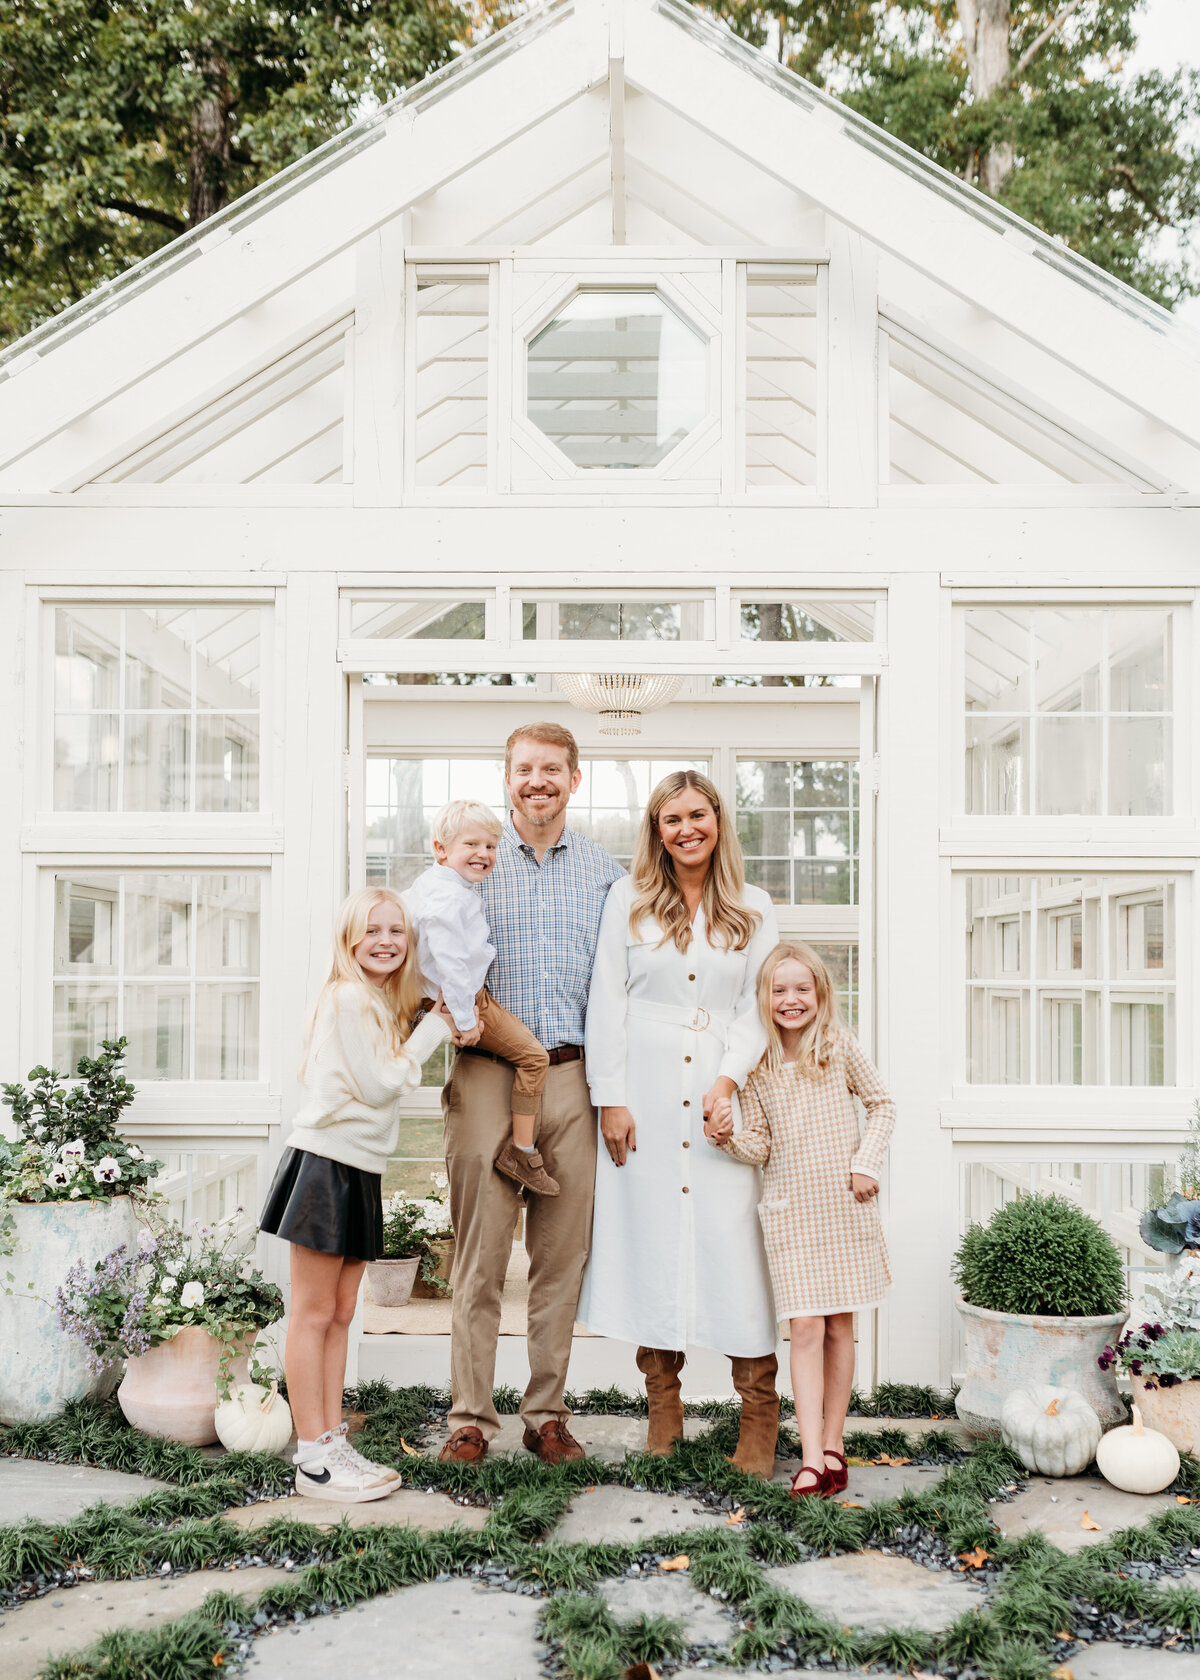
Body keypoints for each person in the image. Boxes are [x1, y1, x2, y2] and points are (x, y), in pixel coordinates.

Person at [579, 769, 782, 1476]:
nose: (686, 829)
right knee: (652, 1242)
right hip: (644, 1095)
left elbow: (760, 1005)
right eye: (672, 820)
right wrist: (610, 1097)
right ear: (656, 831)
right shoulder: (626, 901)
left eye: (697, 815)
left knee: (735, 1250)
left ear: (718, 822)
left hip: (722, 1093)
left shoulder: (753, 906)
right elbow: (606, 999)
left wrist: (728, 1080)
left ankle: (759, 1416)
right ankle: (663, 1408)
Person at [438, 723, 624, 1466]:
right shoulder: (474, 865)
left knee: (560, 1258)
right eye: (524, 769)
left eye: (552, 768)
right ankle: (469, 1420)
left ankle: (546, 1413)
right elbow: (423, 947)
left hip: (574, 1077)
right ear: (506, 777)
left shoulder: (608, 874)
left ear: (575, 779)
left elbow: (621, 987)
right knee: (480, 1258)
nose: (537, 780)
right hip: (488, 1074)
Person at [259, 887, 451, 1501]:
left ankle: (333, 1441)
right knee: (314, 1314)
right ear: (349, 940)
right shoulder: (347, 998)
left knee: (343, 1314)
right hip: (325, 1167)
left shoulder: (372, 1001)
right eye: (373, 930)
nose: (388, 940)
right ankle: (312, 1456)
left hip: (358, 1168)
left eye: (398, 931)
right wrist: (432, 1031)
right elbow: (378, 1083)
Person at [705, 942, 895, 1500]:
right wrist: (728, 1140)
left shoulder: (837, 1047)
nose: (791, 1000)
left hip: (842, 1202)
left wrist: (865, 1163)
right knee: (806, 1327)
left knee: (840, 1324)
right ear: (764, 999)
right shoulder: (758, 1066)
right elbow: (760, 1144)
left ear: (820, 994)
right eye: (779, 990)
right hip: (791, 1209)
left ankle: (834, 1445)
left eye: (801, 989)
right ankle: (811, 1456)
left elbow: (882, 1103)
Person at [404, 799, 556, 1197]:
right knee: (535, 1057)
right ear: (441, 848)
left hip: (462, 996)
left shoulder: (434, 886)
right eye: (471, 844)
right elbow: (450, 963)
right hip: (467, 1000)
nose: (483, 854)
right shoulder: (447, 898)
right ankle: (522, 1152)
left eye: (490, 846)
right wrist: (466, 1020)